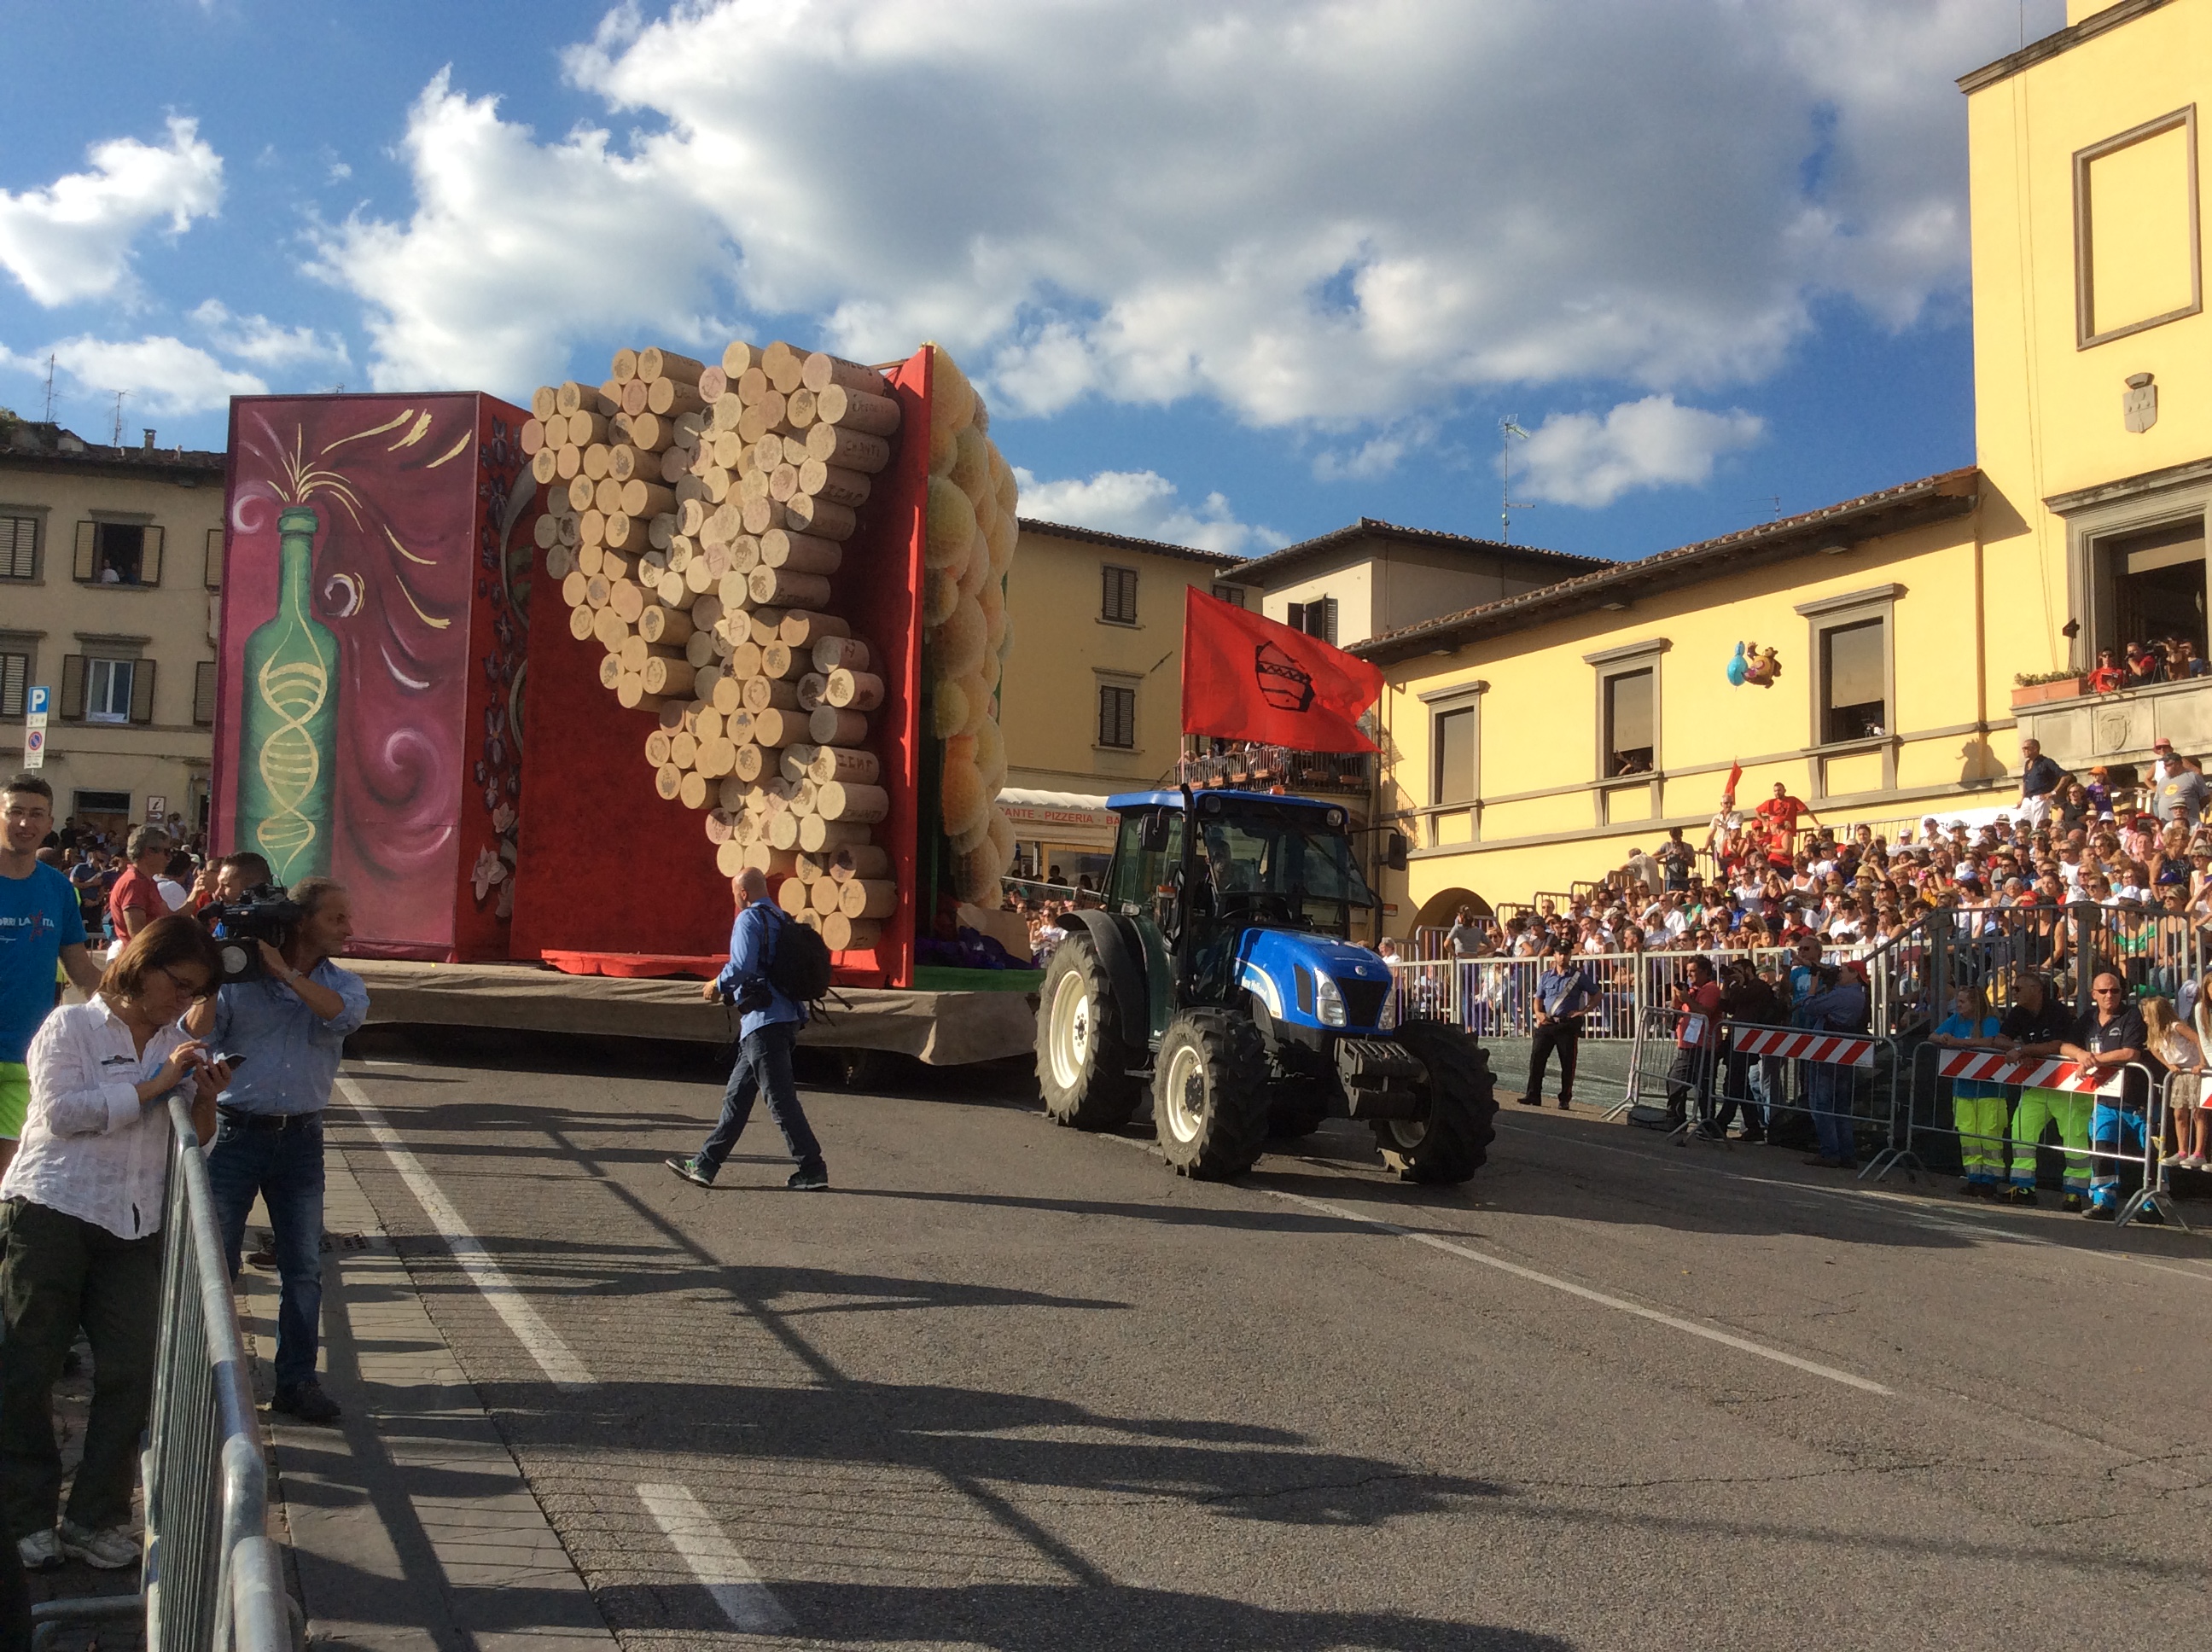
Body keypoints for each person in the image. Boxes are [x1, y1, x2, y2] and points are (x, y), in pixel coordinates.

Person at [0, 917, 228, 1571]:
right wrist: (155, 1087)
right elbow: (63, 1114)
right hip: (51, 1208)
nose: (180, 1001)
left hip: (132, 1222)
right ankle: (23, 1515)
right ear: (141, 964)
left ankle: (93, 1516)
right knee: (26, 1367)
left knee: (131, 1372)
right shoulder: (71, 1025)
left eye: (194, 993)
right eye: (176, 984)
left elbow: (197, 1143)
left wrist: (204, 1100)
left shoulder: (176, 1041)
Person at [187, 876, 368, 1425]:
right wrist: (214, 978)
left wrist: (284, 973)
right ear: (301, 922)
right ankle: (205, 1381)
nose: (348, 928)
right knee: (215, 1264)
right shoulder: (237, 982)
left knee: (304, 1268)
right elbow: (193, 1032)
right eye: (336, 918)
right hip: (235, 1136)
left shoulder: (346, 984)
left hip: (301, 1141)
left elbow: (342, 1016)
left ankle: (295, 1383)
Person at [667, 868, 828, 1191]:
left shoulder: (749, 920)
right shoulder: (782, 918)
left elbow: (741, 966)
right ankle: (705, 1165)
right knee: (736, 1100)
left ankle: (812, 1168)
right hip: (782, 1017)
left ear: (742, 893)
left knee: (781, 1101)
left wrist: (716, 984)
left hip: (763, 1022)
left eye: (734, 895)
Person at [1, 778, 104, 1186]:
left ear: (49, 825)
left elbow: (82, 971)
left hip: (26, 1055)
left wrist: (137, 1014)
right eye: (15, 812)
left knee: (9, 1177)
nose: (24, 822)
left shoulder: (59, 889)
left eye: (35, 814)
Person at [2062, 972, 2156, 1220]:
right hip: (2105, 1100)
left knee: (2149, 1153)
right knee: (2103, 1150)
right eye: (2103, 992)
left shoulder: (2131, 1016)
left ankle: (2153, 1205)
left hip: (2137, 1100)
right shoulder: (2088, 1019)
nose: (2109, 996)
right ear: (2094, 994)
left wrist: (2093, 1060)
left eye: (2114, 991)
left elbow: (2130, 1053)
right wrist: (2082, 1056)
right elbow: (2064, 1046)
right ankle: (2104, 1202)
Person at [1996, 971, 2082, 1209]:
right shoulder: (2019, 1012)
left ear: (2037, 990)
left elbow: (2058, 1044)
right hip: (2038, 1084)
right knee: (2022, 1129)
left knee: (2074, 1138)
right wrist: (2019, 1047)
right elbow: (1999, 1039)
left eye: (2018, 989)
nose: (2013, 993)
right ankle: (2023, 1187)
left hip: (2067, 1085)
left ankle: (2075, 1193)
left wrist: (2026, 1051)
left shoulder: (2057, 1011)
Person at [1930, 984, 2005, 1195]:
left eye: (1962, 1002)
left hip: (1989, 1091)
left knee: (1989, 1134)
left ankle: (1990, 1179)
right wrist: (1944, 1038)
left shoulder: (1989, 1021)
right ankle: (1973, 1177)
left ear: (1975, 1003)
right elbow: (1932, 1036)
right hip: (1963, 1089)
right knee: (1968, 1135)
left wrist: (1961, 1042)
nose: (1958, 1006)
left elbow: (1990, 1041)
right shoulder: (1957, 1020)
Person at [1796, 962, 1869, 1169]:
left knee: (1821, 1103)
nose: (1838, 975)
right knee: (1840, 1106)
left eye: (1843, 971)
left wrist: (1813, 986)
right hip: (1843, 1054)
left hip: (1827, 1052)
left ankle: (1830, 1151)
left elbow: (1810, 1007)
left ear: (1855, 974)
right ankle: (1847, 1153)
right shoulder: (1859, 995)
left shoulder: (1844, 995)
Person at [1523, 942, 1597, 1111]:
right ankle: (1533, 1095)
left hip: (1566, 1024)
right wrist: (1538, 1013)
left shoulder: (1577, 976)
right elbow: (1538, 998)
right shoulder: (1546, 976)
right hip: (1548, 1023)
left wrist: (1583, 1011)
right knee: (1537, 1059)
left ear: (1570, 956)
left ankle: (1564, 1099)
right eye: (1559, 953)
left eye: (1566, 954)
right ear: (1554, 955)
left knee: (1567, 1062)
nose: (1562, 957)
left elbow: (1597, 994)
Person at [1664, 957, 1722, 1131]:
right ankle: (1679, 1119)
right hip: (1689, 1044)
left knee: (1700, 1086)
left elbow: (1706, 1012)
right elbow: (1677, 1009)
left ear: (1704, 972)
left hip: (1703, 1045)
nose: (1689, 975)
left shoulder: (1711, 989)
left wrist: (1687, 1000)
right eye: (1687, 971)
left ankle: (1703, 1123)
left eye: (1693, 971)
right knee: (1678, 1081)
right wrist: (1678, 997)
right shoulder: (1692, 990)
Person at [104, 828, 170, 957]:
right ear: (148, 852)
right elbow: (137, 933)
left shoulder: (148, 881)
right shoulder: (134, 883)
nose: (169, 858)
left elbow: (170, 917)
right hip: (141, 960)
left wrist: (195, 894)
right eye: (166, 852)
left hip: (146, 957)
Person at [2017, 738, 2065, 828]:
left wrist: (2053, 792)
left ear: (2035, 748)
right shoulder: (2027, 763)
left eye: (2026, 748)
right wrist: (2022, 798)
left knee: (2039, 825)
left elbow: (2065, 776)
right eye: (2023, 749)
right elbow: (2025, 781)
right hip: (2028, 798)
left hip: (2040, 798)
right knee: (2024, 825)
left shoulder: (2046, 762)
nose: (2024, 751)